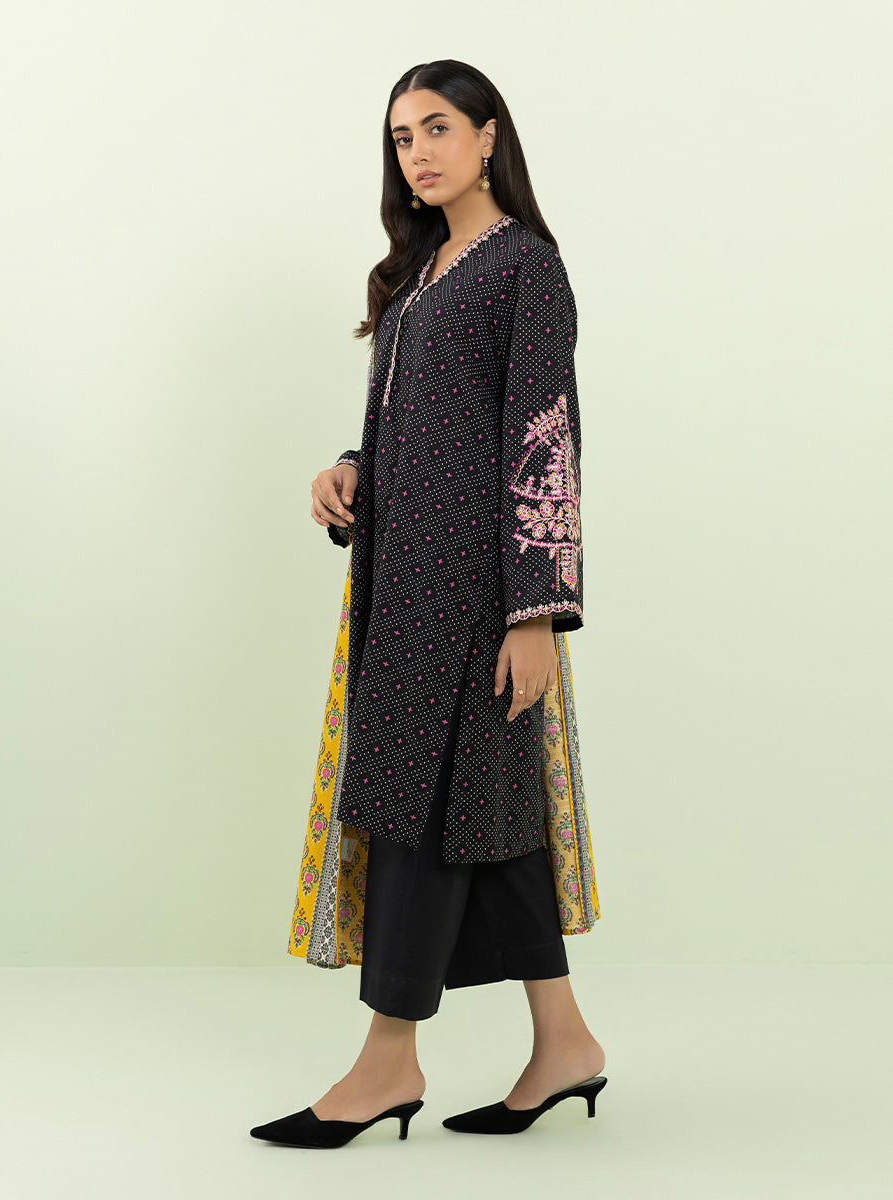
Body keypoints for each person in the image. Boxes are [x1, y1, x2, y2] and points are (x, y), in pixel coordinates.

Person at [250, 59, 605, 1150]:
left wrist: (536, 613)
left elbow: (541, 441)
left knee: (419, 808)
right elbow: (429, 425)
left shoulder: (523, 267)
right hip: (400, 587)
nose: (419, 153)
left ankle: (385, 1063)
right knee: (485, 814)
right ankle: (565, 1045)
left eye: (439, 128)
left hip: (479, 597)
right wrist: (352, 469)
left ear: (489, 136)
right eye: (403, 137)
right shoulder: (416, 276)